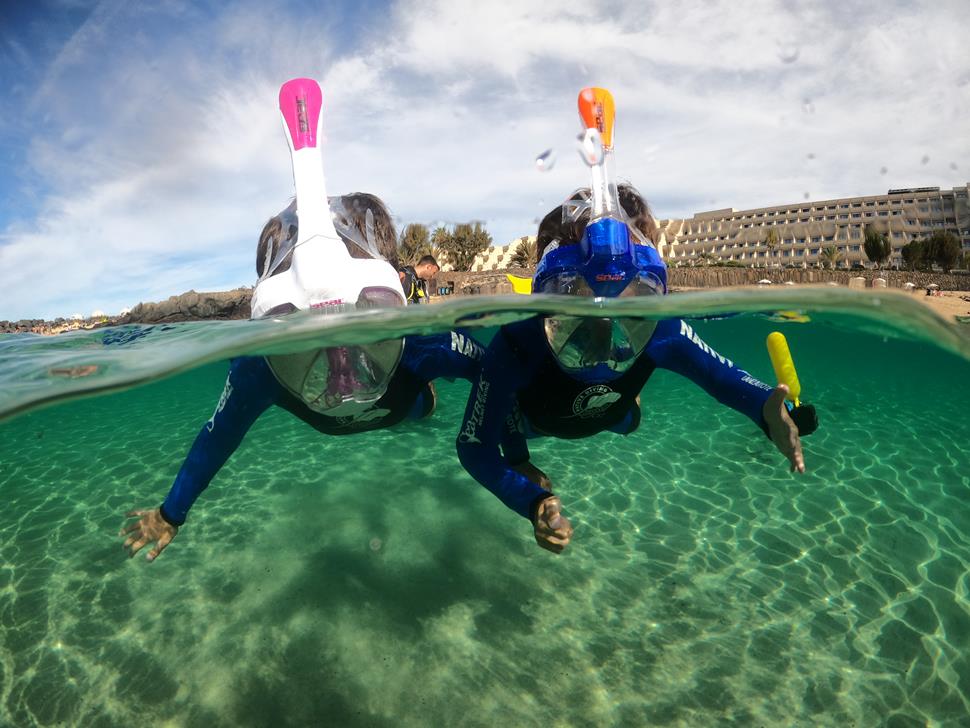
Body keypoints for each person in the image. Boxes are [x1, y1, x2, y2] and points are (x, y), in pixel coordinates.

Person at [455, 184, 818, 554]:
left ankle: (629, 402)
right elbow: (475, 447)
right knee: (507, 417)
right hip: (538, 422)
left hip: (616, 413)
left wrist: (768, 410)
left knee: (627, 418)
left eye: (632, 299)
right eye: (574, 293)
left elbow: (720, 376)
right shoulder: (519, 340)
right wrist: (530, 496)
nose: (604, 315)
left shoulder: (664, 328)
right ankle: (598, 414)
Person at [120, 194, 484, 560]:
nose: (338, 355)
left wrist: (515, 462)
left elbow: (497, 378)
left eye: (361, 313)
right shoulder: (259, 364)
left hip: (410, 404)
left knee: (424, 405)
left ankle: (428, 396)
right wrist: (171, 514)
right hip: (395, 403)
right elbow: (219, 437)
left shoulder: (426, 346)